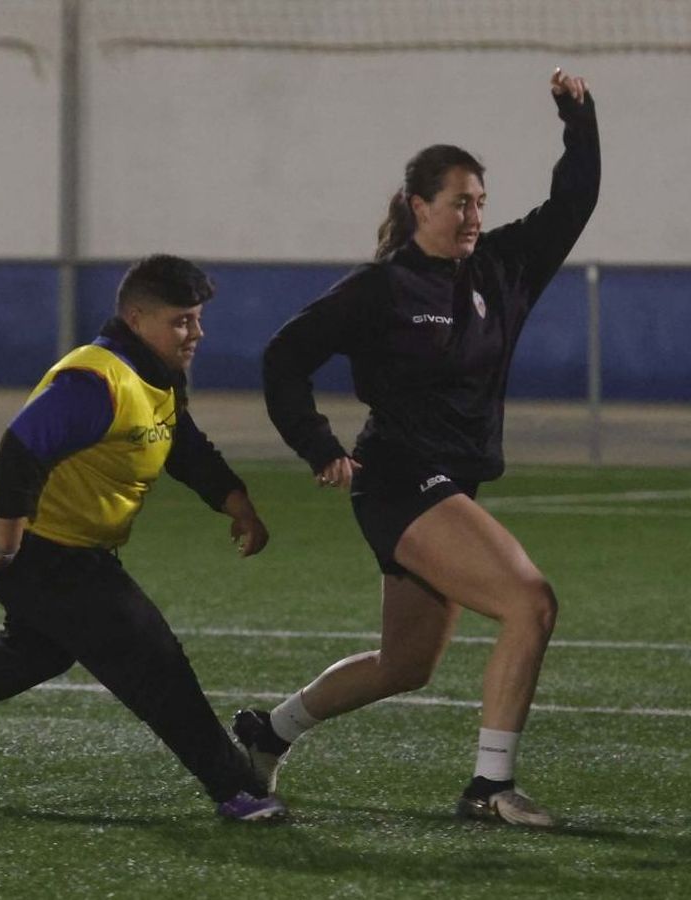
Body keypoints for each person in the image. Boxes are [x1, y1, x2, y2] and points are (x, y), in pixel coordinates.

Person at [242, 68, 600, 828]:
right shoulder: (382, 289)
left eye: (480, 202)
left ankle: (266, 733)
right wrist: (316, 444)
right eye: (459, 202)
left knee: (404, 666)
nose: (473, 215)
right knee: (530, 603)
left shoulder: (502, 267)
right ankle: (489, 788)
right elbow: (283, 357)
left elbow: (574, 201)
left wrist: (579, 121)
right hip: (401, 481)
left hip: (448, 482)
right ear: (418, 206)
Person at [0, 254, 285, 822]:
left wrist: (235, 502)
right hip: (36, 545)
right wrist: (5, 545)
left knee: (40, 648)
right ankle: (235, 788)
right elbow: (18, 453)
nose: (196, 333)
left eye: (197, 319)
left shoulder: (157, 373)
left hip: (67, 545)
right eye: (181, 321)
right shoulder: (95, 380)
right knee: (152, 657)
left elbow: (184, 444)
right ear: (137, 318)